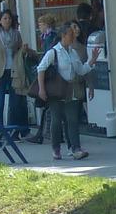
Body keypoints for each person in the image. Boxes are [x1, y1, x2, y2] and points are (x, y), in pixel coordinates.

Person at [35, 20, 90, 160]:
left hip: (70, 89)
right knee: (56, 119)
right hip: (56, 91)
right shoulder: (53, 52)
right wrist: (42, 89)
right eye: (71, 34)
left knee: (72, 119)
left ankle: (75, 148)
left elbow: (81, 70)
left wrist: (92, 61)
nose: (73, 37)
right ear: (63, 36)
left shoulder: (73, 52)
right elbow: (41, 69)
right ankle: (56, 148)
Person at [0, 10, 32, 138]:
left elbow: (19, 52)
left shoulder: (16, 34)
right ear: (0, 21)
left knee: (15, 103)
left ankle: (13, 131)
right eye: (5, 18)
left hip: (14, 71)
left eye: (9, 18)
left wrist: (24, 50)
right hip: (0, 72)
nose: (7, 21)